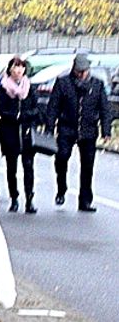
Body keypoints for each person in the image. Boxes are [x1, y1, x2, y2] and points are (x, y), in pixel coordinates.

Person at [46, 53, 112, 212]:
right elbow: (53, 106)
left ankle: (85, 201)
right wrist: (49, 127)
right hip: (67, 127)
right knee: (62, 157)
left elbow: (104, 109)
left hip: (88, 129)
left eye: (84, 71)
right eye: (79, 72)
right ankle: (61, 188)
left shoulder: (97, 84)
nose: (82, 75)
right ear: (74, 69)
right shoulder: (63, 83)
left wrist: (106, 130)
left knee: (87, 166)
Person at [0, 56, 39, 213]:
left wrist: (26, 115)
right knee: (11, 167)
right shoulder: (3, 88)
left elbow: (36, 108)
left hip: (26, 132)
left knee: (28, 167)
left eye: (21, 67)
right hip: (9, 131)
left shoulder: (29, 87)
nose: (18, 70)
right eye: (15, 67)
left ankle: (29, 199)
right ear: (10, 70)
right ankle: (14, 198)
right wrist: (13, 116)